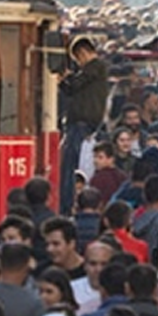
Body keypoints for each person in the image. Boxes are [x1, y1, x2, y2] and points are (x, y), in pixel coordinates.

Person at [59, 36, 109, 214]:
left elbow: (75, 85)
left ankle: (65, 204)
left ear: (83, 53)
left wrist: (67, 78)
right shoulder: (94, 71)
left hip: (81, 122)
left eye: (78, 60)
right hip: (80, 122)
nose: (78, 64)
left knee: (68, 166)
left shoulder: (95, 67)